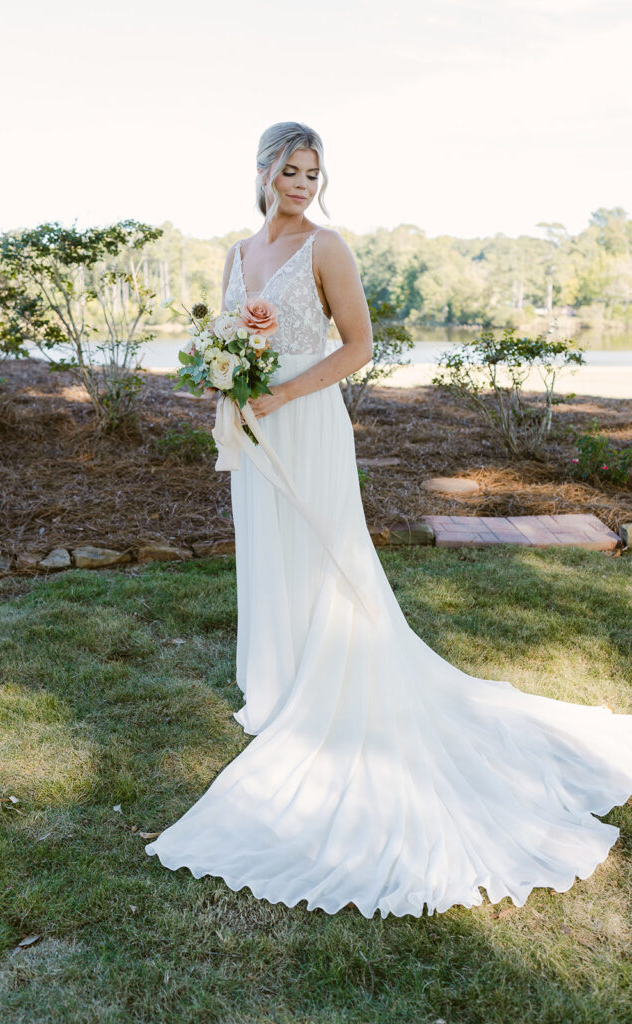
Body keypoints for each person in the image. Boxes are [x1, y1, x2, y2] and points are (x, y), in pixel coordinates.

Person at [145, 121, 632, 918]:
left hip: (306, 421)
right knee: (268, 551)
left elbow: (358, 347)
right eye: (291, 170)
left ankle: (328, 681)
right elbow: (225, 338)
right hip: (256, 426)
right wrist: (226, 381)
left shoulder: (327, 247)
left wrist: (280, 393)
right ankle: (275, 684)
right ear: (264, 170)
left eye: (314, 172)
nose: (303, 183)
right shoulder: (236, 253)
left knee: (325, 550)